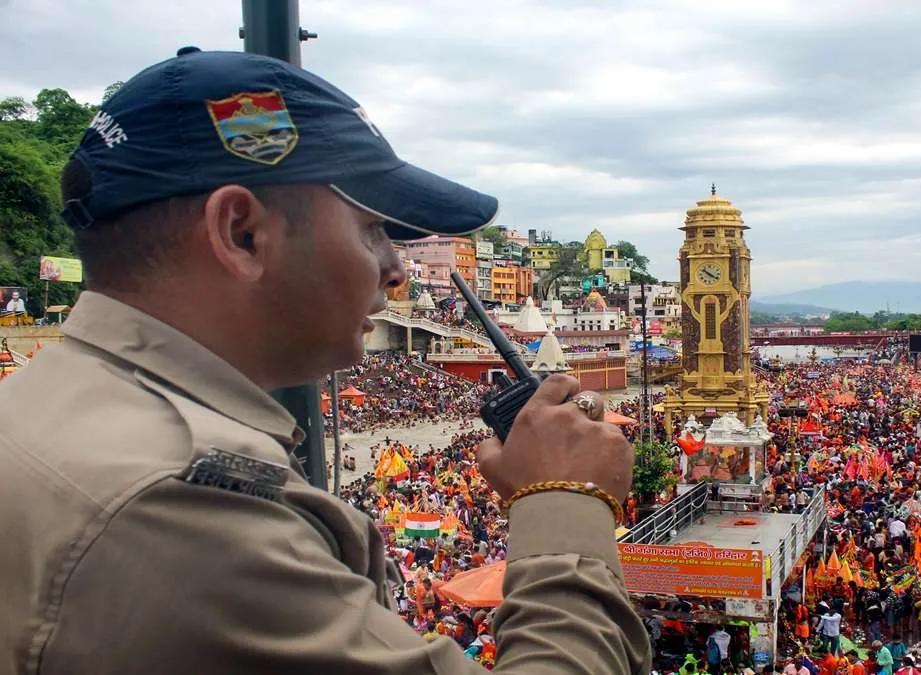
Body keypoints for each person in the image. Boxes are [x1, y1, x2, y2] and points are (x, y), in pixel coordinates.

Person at [0, 49, 648, 674]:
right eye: (371, 228)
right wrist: (565, 500)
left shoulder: (44, 409)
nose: (396, 271)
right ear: (241, 233)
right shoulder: (181, 515)